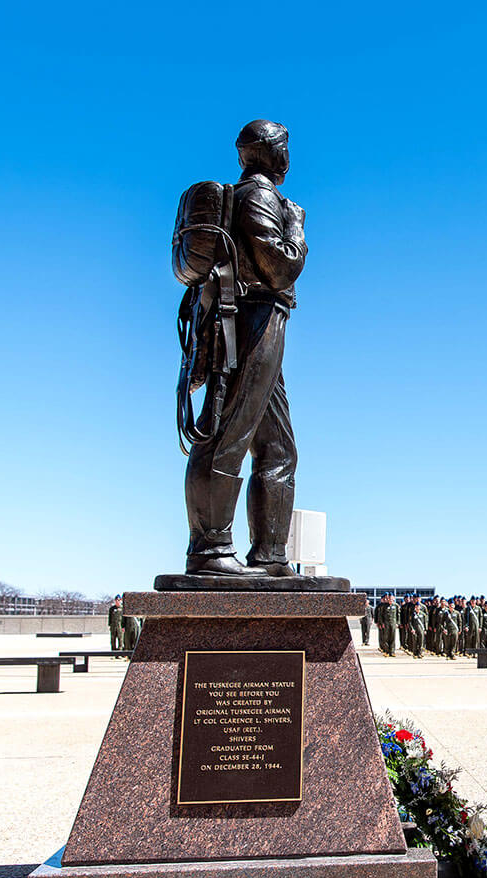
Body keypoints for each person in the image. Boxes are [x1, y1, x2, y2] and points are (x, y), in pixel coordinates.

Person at [182, 120, 307, 576]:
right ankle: (210, 550)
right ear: (272, 153)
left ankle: (270, 554)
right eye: (285, 148)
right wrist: (295, 227)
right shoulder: (259, 196)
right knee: (227, 430)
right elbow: (280, 268)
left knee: (277, 448)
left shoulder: (252, 195)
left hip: (256, 318)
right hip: (252, 319)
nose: (288, 157)